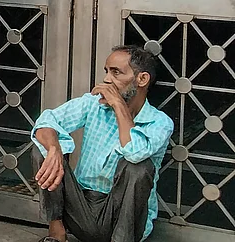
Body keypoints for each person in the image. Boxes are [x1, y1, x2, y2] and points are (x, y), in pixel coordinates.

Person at [31, 45, 173, 242]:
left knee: (139, 167)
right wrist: (54, 148)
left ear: (142, 79)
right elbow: (46, 121)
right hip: (80, 207)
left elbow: (136, 152)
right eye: (106, 71)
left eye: (116, 73)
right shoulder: (93, 103)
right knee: (43, 148)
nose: (107, 80)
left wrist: (118, 105)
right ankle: (57, 233)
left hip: (121, 218)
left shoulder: (160, 122)